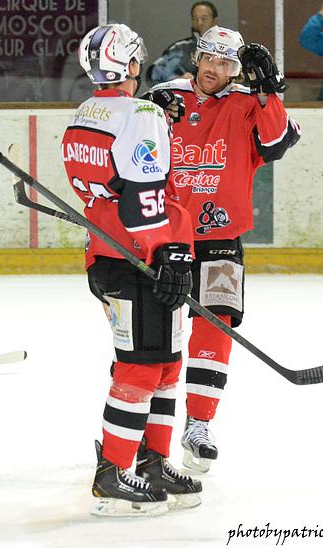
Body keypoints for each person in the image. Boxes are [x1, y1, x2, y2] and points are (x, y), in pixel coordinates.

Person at [143, 26, 301, 472]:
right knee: (155, 334)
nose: (215, 68)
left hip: (221, 236)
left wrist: (269, 93)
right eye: (209, 58)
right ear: (197, 57)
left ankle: (199, 423)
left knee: (217, 326)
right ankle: (141, 425)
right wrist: (148, 110)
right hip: (164, 236)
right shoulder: (164, 96)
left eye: (226, 63)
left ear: (236, 69)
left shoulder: (249, 102)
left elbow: (278, 144)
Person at [62, 23, 201, 517]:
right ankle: (113, 475)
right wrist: (169, 253)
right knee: (141, 368)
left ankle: (153, 463)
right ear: (133, 64)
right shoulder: (141, 115)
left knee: (164, 363)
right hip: (141, 258)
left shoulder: (85, 112)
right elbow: (144, 200)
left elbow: (112, 180)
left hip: (107, 254)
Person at [147, 1, 219, 85]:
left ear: (214, 21)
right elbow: (153, 75)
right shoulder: (180, 49)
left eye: (204, 18)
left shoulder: (228, 48)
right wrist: (176, 81)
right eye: (195, 18)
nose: (199, 22)